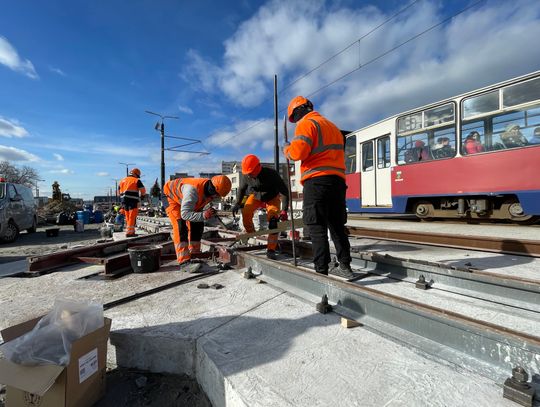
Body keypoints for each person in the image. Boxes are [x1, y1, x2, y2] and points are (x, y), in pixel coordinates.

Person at [283, 96, 353, 278]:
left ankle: (321, 272)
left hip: (316, 181)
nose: (295, 121)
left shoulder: (307, 124)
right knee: (337, 226)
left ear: (298, 111)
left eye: (294, 117)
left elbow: (298, 152)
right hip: (337, 182)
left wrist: (287, 150)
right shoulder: (333, 127)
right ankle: (345, 266)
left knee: (316, 226)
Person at [163, 175, 231, 266]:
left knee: (198, 224)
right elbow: (185, 215)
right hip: (171, 197)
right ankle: (183, 261)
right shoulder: (192, 191)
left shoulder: (208, 190)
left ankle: (194, 254)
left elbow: (199, 204)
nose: (216, 197)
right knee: (180, 226)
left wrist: (207, 213)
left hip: (185, 200)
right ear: (214, 190)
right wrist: (204, 214)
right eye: (217, 195)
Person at [232, 154, 290, 260]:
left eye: (250, 173)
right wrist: (237, 203)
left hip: (272, 197)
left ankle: (271, 249)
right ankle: (251, 232)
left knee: (273, 221)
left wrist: (284, 210)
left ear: (258, 167)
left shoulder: (272, 174)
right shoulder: (247, 175)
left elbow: (284, 191)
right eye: (247, 173)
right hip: (255, 196)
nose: (249, 175)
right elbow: (241, 189)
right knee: (246, 211)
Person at [118, 168, 146, 237]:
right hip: (133, 200)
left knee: (127, 216)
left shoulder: (122, 181)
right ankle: (130, 233)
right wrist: (142, 197)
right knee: (132, 216)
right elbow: (143, 190)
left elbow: (118, 192)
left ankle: (130, 231)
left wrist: (122, 198)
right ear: (135, 174)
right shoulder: (136, 180)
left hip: (124, 201)